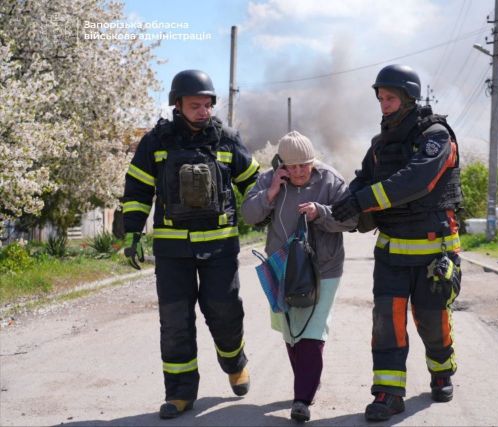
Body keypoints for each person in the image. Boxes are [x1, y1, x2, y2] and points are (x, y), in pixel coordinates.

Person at [121, 69, 260, 419]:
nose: (203, 111)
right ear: (178, 105)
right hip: (172, 252)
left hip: (220, 248)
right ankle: (180, 393)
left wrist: (271, 214)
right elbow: (137, 189)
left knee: (224, 311)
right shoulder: (156, 142)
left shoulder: (227, 140)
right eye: (195, 105)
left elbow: (254, 183)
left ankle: (235, 364)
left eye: (207, 105)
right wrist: (132, 232)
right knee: (175, 322)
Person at [331, 64, 463, 422]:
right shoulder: (380, 144)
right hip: (390, 251)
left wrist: (362, 200)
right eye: (380, 99)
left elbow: (417, 180)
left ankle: (441, 371)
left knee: (432, 320)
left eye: (390, 98)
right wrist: (346, 202)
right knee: (386, 324)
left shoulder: (436, 136)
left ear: (408, 98)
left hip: (434, 250)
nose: (384, 104)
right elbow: (364, 179)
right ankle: (388, 394)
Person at [241, 131, 357, 423]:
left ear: (312, 161)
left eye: (303, 165)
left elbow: (352, 218)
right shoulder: (270, 180)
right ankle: (307, 383)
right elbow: (249, 215)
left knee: (311, 331)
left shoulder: (330, 180)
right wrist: (270, 193)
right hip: (281, 266)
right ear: (281, 165)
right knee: (292, 332)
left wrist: (321, 212)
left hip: (324, 268)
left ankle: (302, 398)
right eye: (291, 167)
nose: (298, 172)